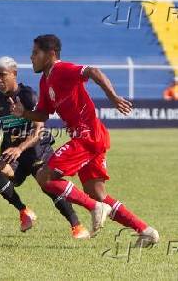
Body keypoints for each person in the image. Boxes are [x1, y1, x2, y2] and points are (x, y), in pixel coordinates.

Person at [10, 34, 159, 247]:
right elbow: (43, 114)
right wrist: (24, 113)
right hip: (91, 136)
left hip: (86, 135)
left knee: (45, 176)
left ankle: (94, 208)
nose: (31, 57)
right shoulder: (46, 80)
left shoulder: (62, 69)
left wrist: (113, 97)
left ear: (50, 54)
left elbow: (92, 71)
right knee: (97, 194)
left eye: (35, 53)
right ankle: (146, 231)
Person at [0, 56, 89, 238]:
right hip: (16, 154)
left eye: (2, 75)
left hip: (37, 149)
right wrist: (5, 153)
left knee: (48, 186)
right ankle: (24, 211)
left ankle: (77, 226)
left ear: (14, 74)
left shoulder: (28, 95)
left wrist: (20, 148)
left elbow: (38, 131)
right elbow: (8, 129)